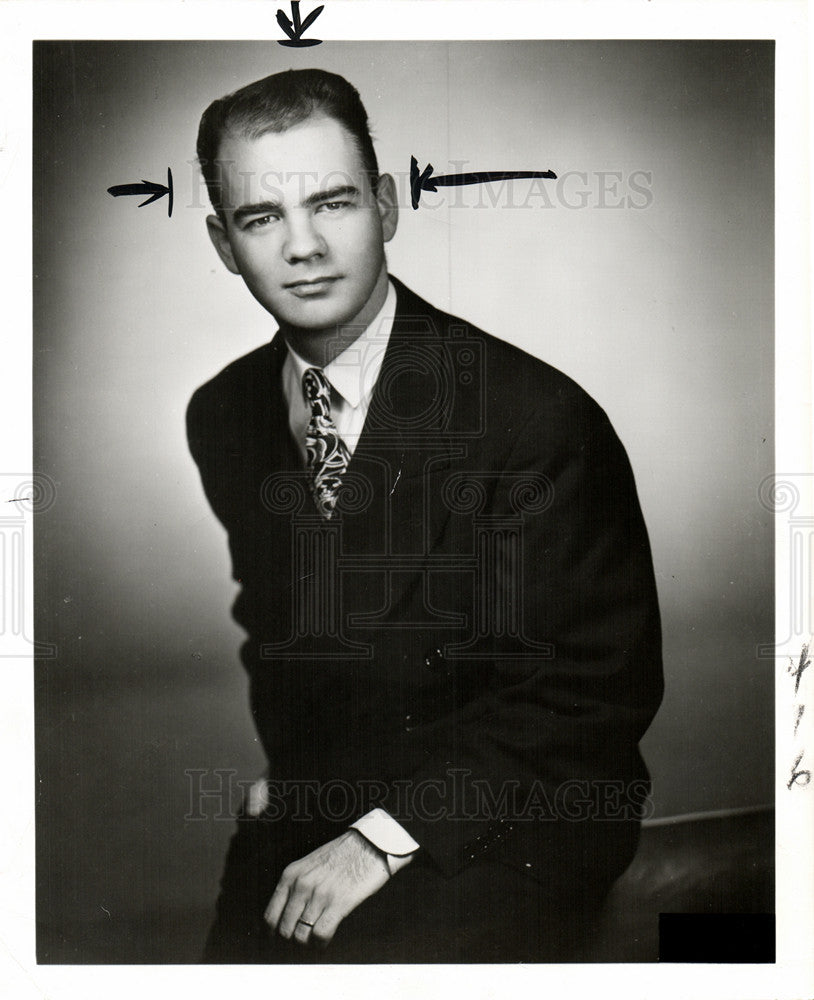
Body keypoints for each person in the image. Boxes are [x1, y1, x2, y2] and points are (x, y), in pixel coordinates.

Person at [187, 67, 663, 964]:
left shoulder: (535, 417)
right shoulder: (223, 411)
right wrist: (291, 788)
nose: (303, 246)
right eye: (261, 218)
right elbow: (283, 631)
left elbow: (588, 696)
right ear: (223, 243)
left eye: (333, 203)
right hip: (327, 795)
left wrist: (381, 837)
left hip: (519, 810)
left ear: (388, 205)